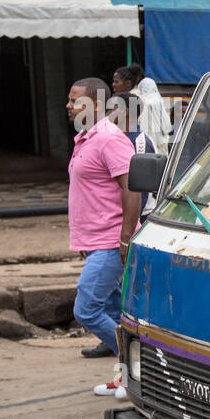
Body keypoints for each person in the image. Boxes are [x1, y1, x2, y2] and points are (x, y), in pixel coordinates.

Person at [66, 77, 139, 389]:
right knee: (111, 311)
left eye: (75, 100)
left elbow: (132, 188)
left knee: (86, 309)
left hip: (112, 242)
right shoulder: (85, 138)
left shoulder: (110, 138)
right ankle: (128, 378)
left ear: (95, 105)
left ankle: (140, 364)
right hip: (95, 243)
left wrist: (125, 237)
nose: (68, 106)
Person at [111, 64, 161, 215]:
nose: (108, 114)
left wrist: (133, 218)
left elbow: (141, 188)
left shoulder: (140, 142)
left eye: (112, 109)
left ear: (125, 113)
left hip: (140, 214)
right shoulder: (116, 138)